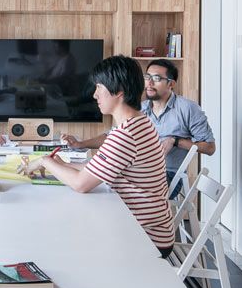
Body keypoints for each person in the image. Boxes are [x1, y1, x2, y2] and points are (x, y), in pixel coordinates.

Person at [20, 55, 175, 257]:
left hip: (146, 238)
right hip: (149, 228)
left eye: (99, 88)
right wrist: (60, 164)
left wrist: (45, 161)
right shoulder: (140, 123)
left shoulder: (125, 134)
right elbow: (95, 168)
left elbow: (81, 184)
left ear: (118, 91)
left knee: (59, 230)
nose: (94, 95)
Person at [61, 59, 214, 199]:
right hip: (137, 171)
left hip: (167, 174)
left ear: (171, 84)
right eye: (147, 77)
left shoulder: (187, 108)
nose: (149, 83)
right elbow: (112, 136)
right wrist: (80, 144)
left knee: (98, 188)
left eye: (157, 78)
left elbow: (209, 148)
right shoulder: (142, 109)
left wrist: (176, 141)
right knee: (98, 184)